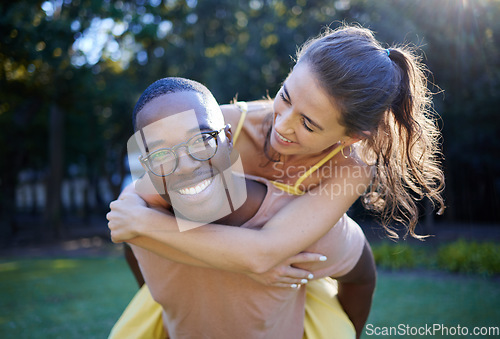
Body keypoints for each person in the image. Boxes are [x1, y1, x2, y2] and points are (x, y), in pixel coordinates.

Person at [108, 24, 445, 338]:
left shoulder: (351, 168)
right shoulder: (224, 125)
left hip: (286, 289)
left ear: (352, 137)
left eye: (309, 125)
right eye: (285, 96)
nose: (282, 124)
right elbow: (150, 182)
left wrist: (143, 224)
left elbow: (266, 253)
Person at [109, 76, 373, 339]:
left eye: (202, 140)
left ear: (228, 138)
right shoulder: (135, 219)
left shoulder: (302, 229)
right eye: (160, 154)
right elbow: (132, 245)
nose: (187, 164)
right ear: (147, 168)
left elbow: (362, 277)